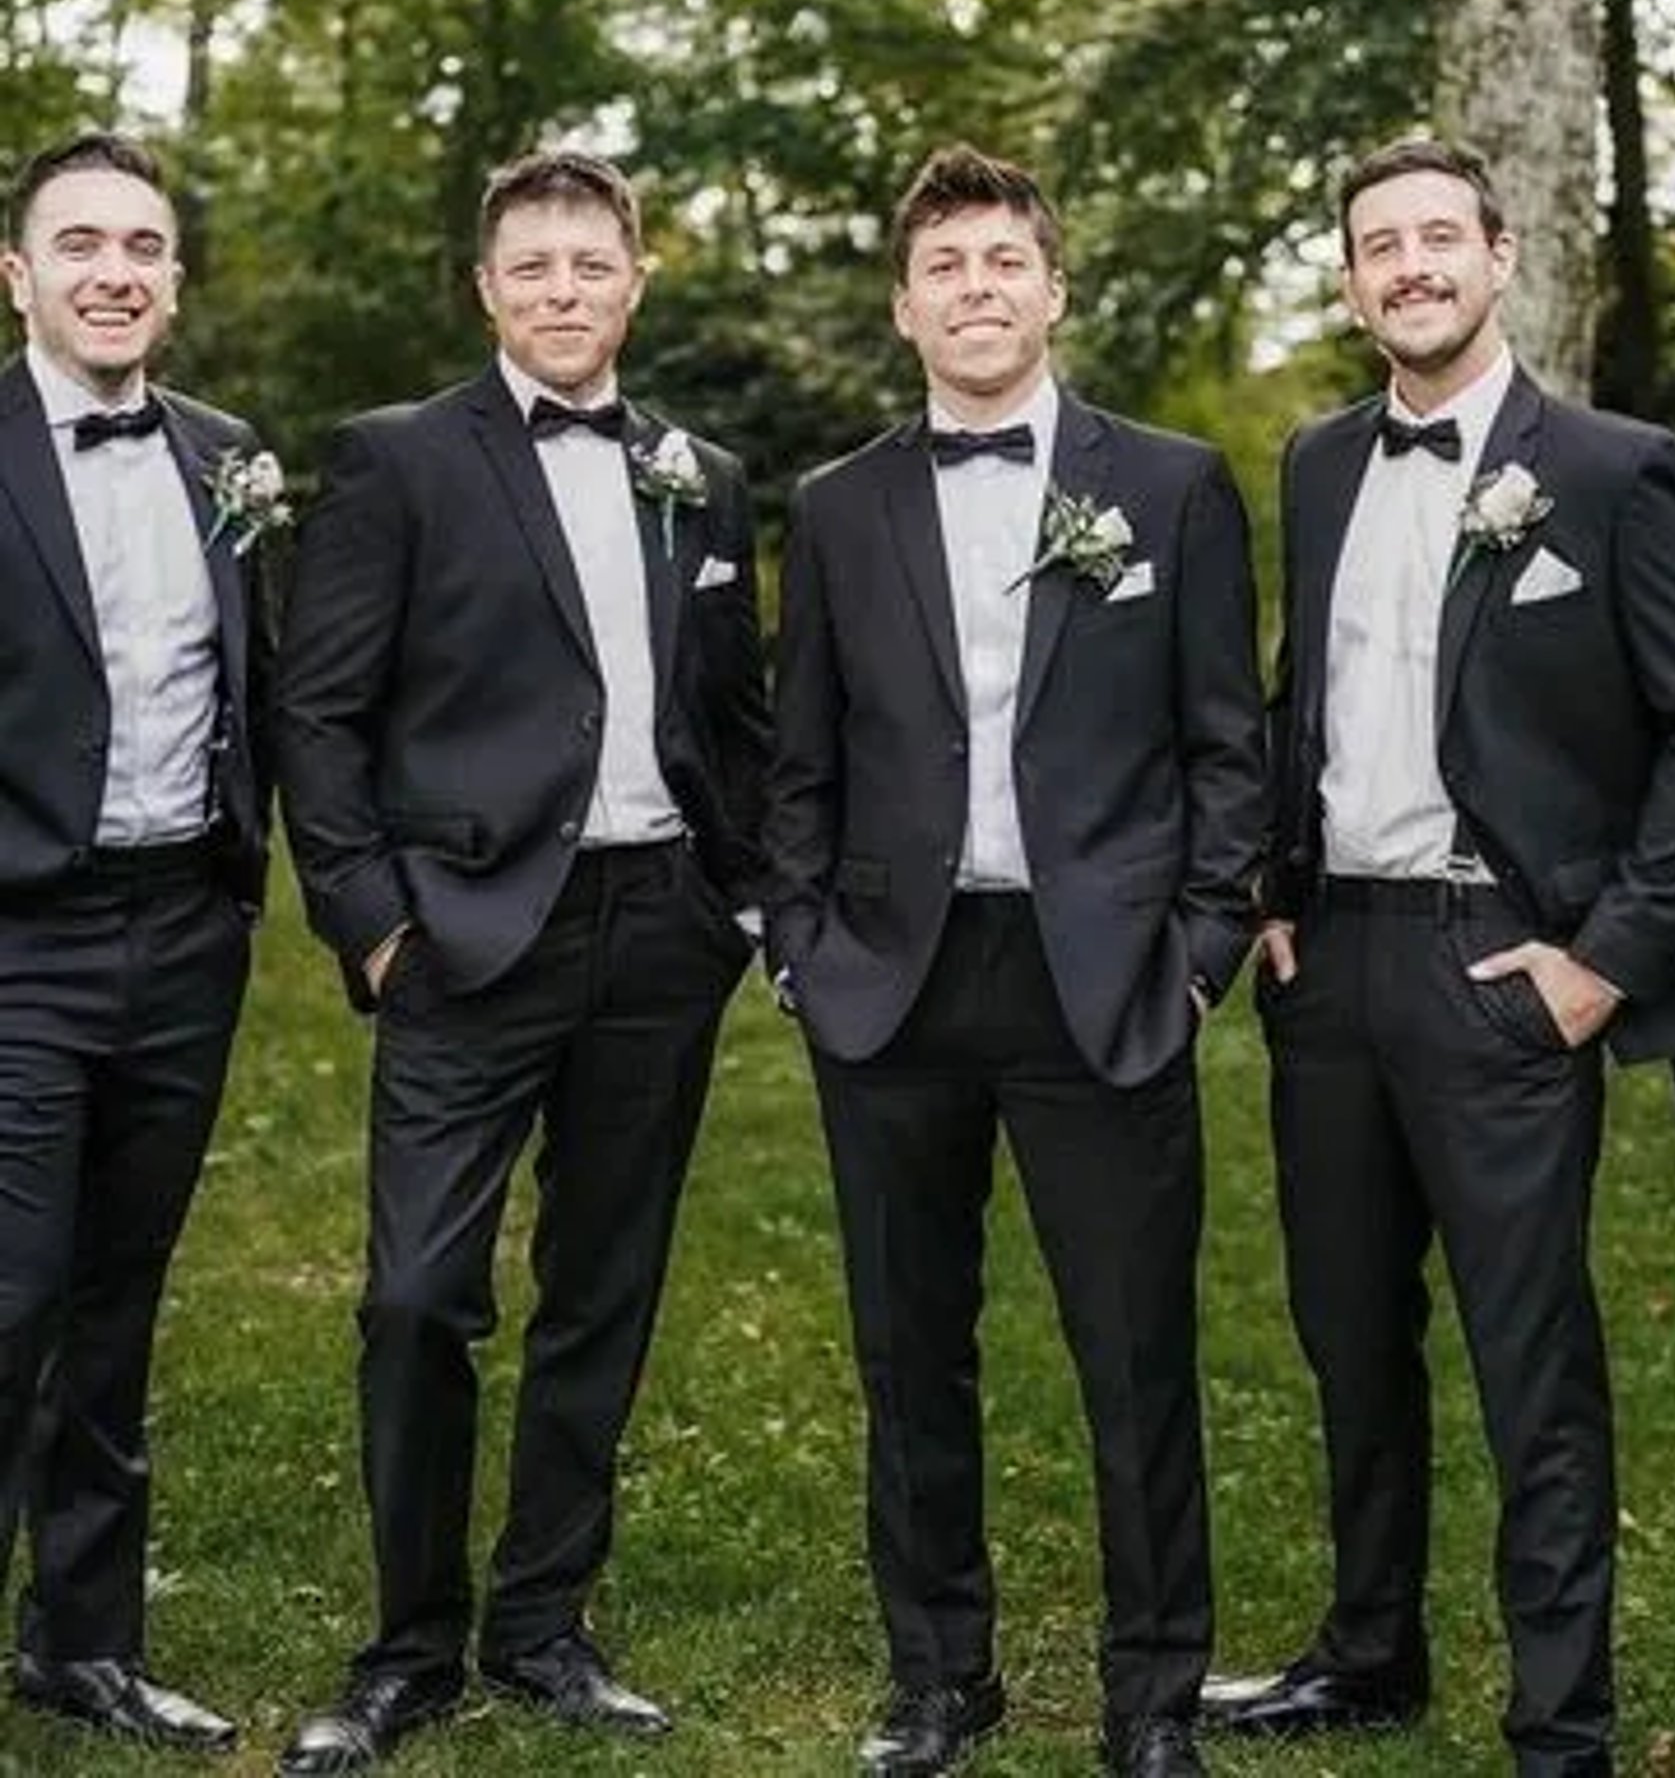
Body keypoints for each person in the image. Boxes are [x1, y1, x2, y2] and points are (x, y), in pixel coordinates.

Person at [1202, 138, 1675, 1777]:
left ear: (1500, 254)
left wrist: (1605, 958)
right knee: (1348, 1333)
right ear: (1354, 278)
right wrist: (1272, 887)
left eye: (1439, 237)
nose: (1411, 267)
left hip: (1497, 961)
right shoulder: (1317, 460)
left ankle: (1560, 1719)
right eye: (1380, 245)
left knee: (1533, 1360)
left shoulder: (1604, 467)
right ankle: (1368, 1651)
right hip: (1334, 974)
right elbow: (1297, 695)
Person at [765, 143, 1266, 1778]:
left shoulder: (1172, 488)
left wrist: (1196, 954)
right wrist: (802, 950)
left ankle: (1153, 1698)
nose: (978, 290)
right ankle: (941, 1681)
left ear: (1053, 289)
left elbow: (1223, 748)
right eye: (946, 269)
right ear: (905, 310)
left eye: (1004, 263)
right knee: (913, 1353)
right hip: (895, 982)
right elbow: (803, 757)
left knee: (1135, 1353)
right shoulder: (839, 509)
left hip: (1103, 977)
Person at [273, 147, 769, 1774]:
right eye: (532, 268)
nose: (564, 292)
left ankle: (543, 1620)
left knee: (601, 1294)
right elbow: (321, 713)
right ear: (487, 290)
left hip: (658, 935)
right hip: (468, 937)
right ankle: (408, 1643)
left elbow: (736, 718)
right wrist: (374, 922)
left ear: (637, 280)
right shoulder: (401, 461)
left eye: (591, 264)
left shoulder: (706, 475)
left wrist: (744, 900)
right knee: (418, 1297)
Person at [0, 130, 275, 1751]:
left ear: (175, 280)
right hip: (18, 935)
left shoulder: (227, 458)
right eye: (83, 244)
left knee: (116, 1300)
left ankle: (79, 1646)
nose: (117, 272)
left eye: (146, 248)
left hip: (185, 930)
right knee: (10, 1293)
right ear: (19, 275)